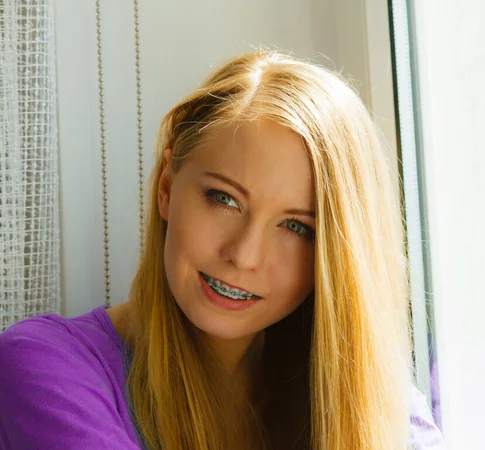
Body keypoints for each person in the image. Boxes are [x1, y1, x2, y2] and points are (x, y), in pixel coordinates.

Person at [0, 50, 446, 449]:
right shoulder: (45, 369)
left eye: (295, 226)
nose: (245, 255)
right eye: (225, 199)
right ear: (167, 189)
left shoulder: (367, 394)